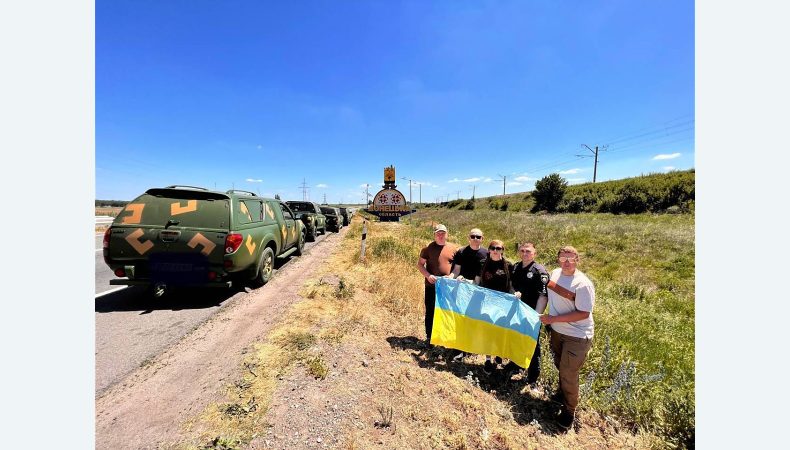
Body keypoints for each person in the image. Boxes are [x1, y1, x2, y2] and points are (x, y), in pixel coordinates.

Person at [539, 245, 595, 430]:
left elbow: (583, 314)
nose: (567, 262)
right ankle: (562, 393)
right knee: (559, 365)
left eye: (571, 258)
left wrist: (553, 319)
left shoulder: (583, 284)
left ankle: (569, 411)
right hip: (557, 331)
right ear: (558, 260)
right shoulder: (555, 274)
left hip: (577, 335)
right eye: (563, 258)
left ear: (577, 259)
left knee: (569, 373)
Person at [510, 242, 549, 389]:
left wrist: (536, 316)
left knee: (533, 344)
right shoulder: (516, 267)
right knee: (516, 337)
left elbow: (543, 296)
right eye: (523, 251)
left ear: (534, 253)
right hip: (517, 312)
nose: (525, 253)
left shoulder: (540, 272)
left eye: (528, 251)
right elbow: (511, 285)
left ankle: (533, 378)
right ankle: (516, 365)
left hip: (532, 313)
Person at [474, 239, 514, 374]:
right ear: (489, 249)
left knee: (499, 331)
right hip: (486, 303)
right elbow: (477, 282)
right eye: (493, 248)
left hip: (503, 304)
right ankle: (488, 360)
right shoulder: (482, 263)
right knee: (488, 331)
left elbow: (511, 285)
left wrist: (515, 295)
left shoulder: (508, 265)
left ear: (503, 250)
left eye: (498, 248)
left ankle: (498, 353)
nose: (495, 251)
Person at [448, 228, 488, 361]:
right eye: (473, 236)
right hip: (462, 291)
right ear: (468, 237)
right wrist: (450, 278)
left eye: (478, 237)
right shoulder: (461, 252)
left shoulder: (487, 253)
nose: (475, 239)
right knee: (460, 319)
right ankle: (458, 349)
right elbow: (456, 270)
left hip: (478, 292)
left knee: (474, 320)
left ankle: (471, 348)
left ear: (482, 238)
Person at [417, 224, 458, 347]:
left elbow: (457, 267)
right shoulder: (428, 249)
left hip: (447, 288)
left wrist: (451, 276)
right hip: (431, 286)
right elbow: (420, 265)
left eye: (443, 233)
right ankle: (430, 337)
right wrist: (428, 275)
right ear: (434, 234)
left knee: (447, 312)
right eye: (438, 233)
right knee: (430, 311)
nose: (440, 235)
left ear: (447, 234)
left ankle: (444, 338)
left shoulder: (453, 249)